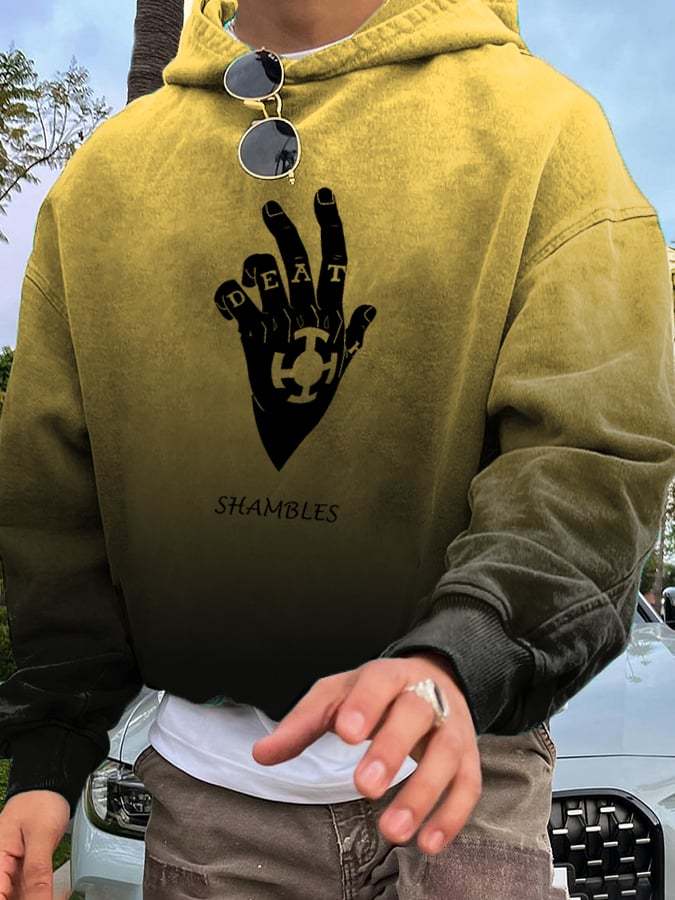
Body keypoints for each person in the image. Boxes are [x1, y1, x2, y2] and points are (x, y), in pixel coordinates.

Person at [0, 0, 673, 896]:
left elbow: (590, 451)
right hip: (209, 815)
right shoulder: (106, 177)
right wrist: (49, 754)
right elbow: (55, 493)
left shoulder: (545, 130)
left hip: (466, 786)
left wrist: (459, 656)